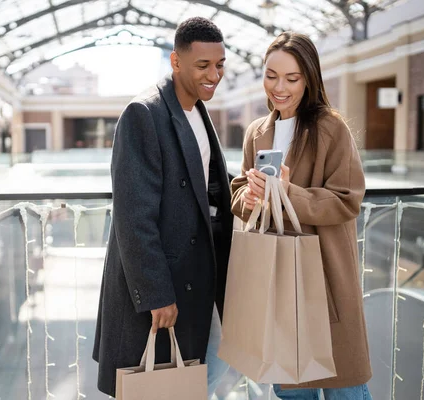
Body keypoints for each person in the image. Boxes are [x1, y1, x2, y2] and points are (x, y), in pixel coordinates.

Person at [92, 17, 233, 399]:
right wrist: (156, 293)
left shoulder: (200, 112)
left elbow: (210, 189)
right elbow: (133, 216)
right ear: (176, 62)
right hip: (162, 287)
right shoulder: (144, 113)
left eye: (219, 65)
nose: (214, 75)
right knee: (154, 387)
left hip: (197, 278)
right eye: (203, 66)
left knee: (189, 381)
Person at [231, 31, 372, 399]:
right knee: (291, 390)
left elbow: (346, 200)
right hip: (278, 283)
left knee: (345, 389)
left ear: (309, 78)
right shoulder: (257, 132)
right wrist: (251, 195)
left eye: (292, 78)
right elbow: (238, 191)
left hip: (324, 281)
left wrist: (287, 193)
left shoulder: (331, 129)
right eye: (271, 75)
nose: (279, 87)